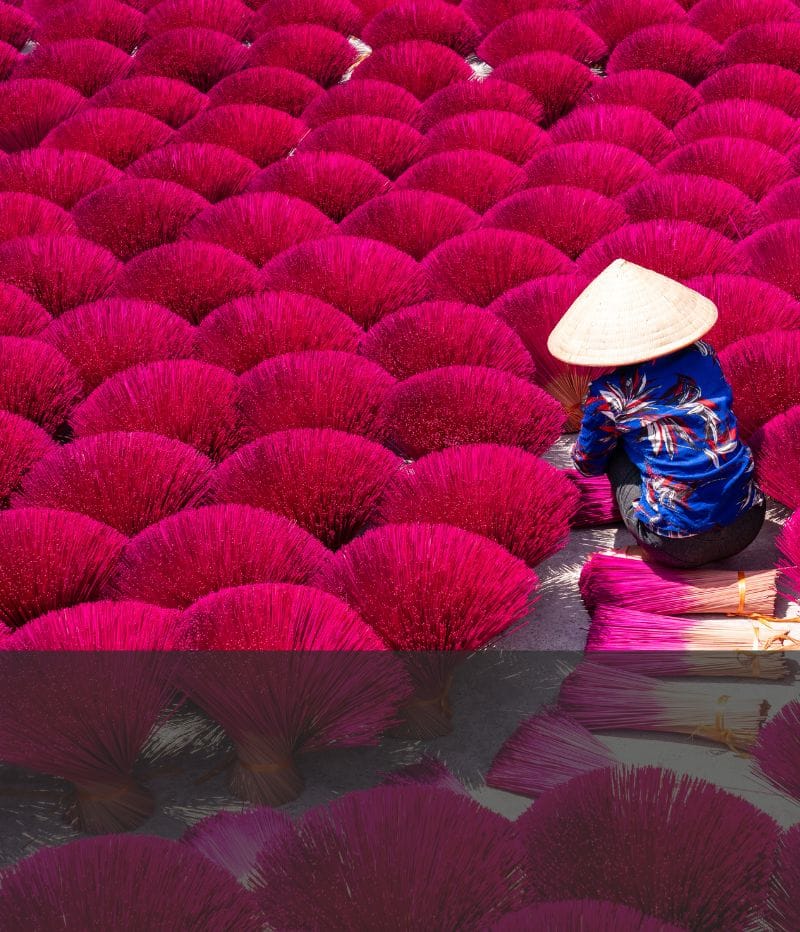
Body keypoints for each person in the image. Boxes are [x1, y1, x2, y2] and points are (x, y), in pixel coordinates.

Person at [547, 258, 765, 568]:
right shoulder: (704, 354)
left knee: (615, 445)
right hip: (749, 520)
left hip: (676, 543)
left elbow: (588, 465)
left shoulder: (609, 393)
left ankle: (652, 529)